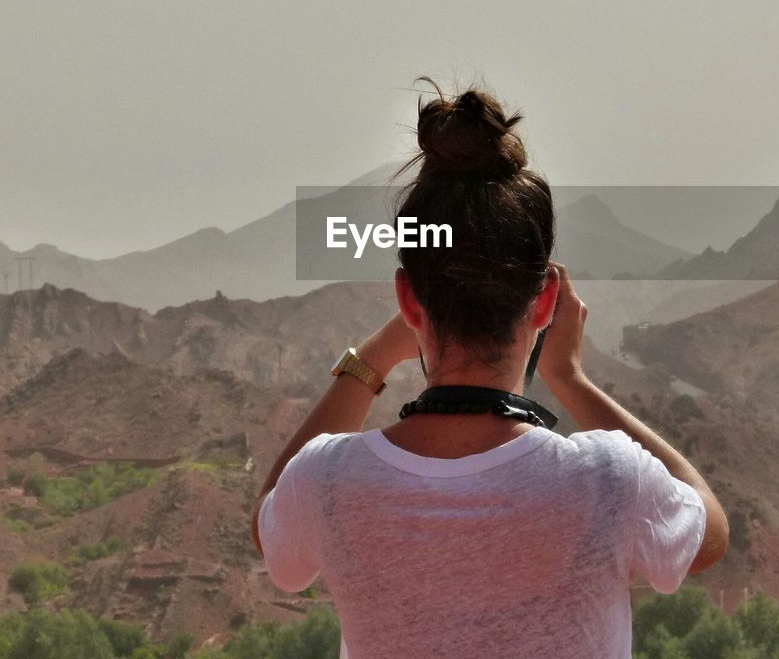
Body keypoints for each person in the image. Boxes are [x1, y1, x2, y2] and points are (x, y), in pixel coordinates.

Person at [251, 84, 728, 659]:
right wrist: (571, 379)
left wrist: (372, 360)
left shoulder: (328, 482)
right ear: (547, 300)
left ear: (407, 300)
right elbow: (710, 531)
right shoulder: (608, 479)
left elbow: (268, 523)